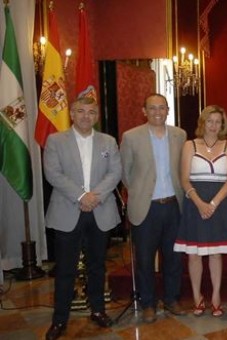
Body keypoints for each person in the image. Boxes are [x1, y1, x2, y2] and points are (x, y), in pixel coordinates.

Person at [44, 98, 122, 340]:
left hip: (100, 211)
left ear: (97, 116)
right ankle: (60, 320)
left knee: (97, 267)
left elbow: (115, 172)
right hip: (68, 210)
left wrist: (94, 196)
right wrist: (81, 195)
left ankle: (98, 310)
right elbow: (53, 173)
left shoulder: (108, 141)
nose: (86, 116)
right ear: (72, 114)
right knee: (65, 269)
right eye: (81, 111)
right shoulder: (56, 140)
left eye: (91, 112)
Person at [120, 93, 187, 323]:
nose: (158, 112)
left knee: (173, 258)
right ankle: (148, 303)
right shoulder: (131, 137)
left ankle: (171, 299)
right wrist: (140, 192)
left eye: (162, 108)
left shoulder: (180, 135)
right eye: (152, 108)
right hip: (146, 207)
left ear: (167, 110)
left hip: (173, 206)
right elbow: (125, 173)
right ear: (144, 111)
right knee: (145, 260)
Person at [173, 105, 227, 317]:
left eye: (218, 122)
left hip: (220, 205)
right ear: (203, 122)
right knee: (194, 254)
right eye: (210, 121)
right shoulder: (190, 145)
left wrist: (213, 204)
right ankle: (197, 297)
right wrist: (201, 203)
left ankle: (216, 296)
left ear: (223, 125)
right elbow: (184, 179)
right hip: (194, 204)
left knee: (216, 254)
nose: (214, 126)